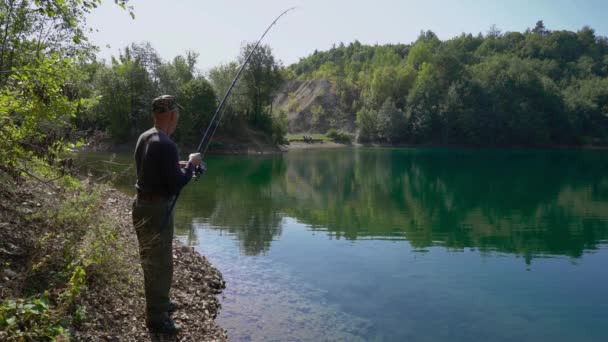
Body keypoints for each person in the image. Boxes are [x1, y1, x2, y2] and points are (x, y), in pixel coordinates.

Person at [131, 95, 202, 335]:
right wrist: (191, 165)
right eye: (177, 115)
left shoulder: (146, 137)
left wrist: (177, 164)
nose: (177, 119)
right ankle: (157, 318)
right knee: (160, 264)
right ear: (172, 115)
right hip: (156, 210)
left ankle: (159, 303)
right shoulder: (166, 144)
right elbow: (175, 185)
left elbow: (150, 170)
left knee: (151, 259)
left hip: (141, 205)